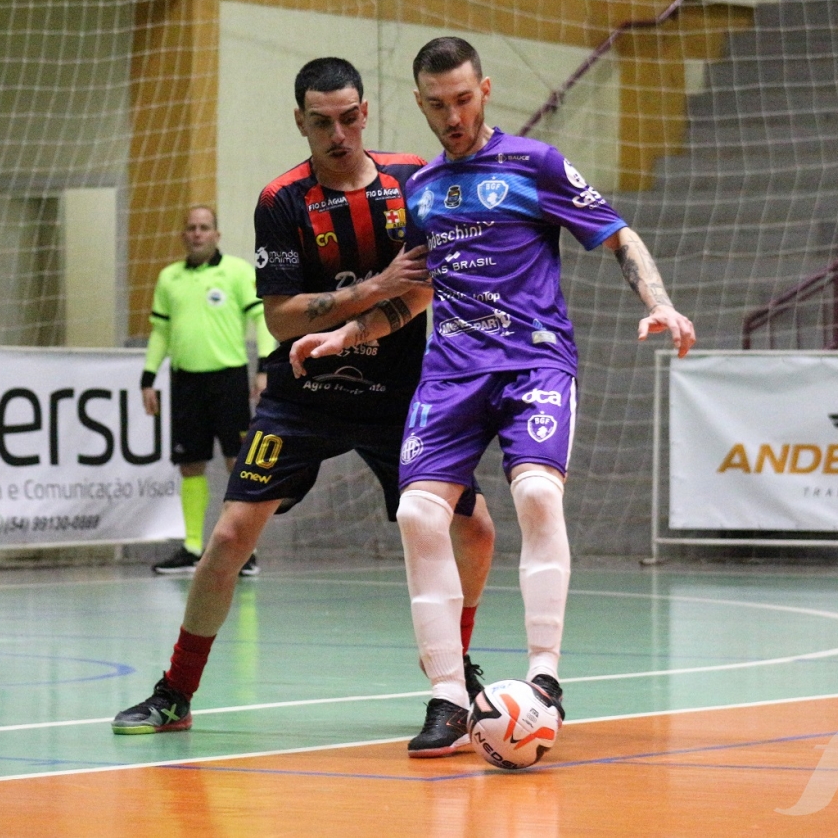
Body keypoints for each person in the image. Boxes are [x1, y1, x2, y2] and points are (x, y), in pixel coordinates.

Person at [291, 37, 695, 757]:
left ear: (486, 90)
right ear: (420, 105)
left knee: (537, 495)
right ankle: (447, 695)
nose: (452, 115)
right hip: (451, 373)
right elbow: (417, 289)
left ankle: (545, 678)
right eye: (437, 105)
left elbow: (617, 234)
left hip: (534, 363)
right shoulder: (420, 191)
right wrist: (347, 334)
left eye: (463, 99)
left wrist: (660, 302)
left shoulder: (534, 164)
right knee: (418, 513)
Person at [111, 57, 496, 735]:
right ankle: (175, 691)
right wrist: (367, 292)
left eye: (349, 118)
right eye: (321, 122)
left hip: (399, 396)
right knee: (228, 537)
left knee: (476, 527)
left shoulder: (412, 179)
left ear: (366, 113)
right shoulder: (282, 201)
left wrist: (374, 316)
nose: (338, 133)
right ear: (301, 122)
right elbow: (282, 318)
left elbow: (427, 286)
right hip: (302, 398)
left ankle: (455, 672)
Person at [143, 205, 274, 577]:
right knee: (190, 463)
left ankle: (243, 549)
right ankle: (192, 547)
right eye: (191, 228)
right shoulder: (169, 278)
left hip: (228, 379)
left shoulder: (237, 272)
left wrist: (264, 367)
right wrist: (147, 377)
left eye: (204, 227)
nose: (197, 233)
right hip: (186, 381)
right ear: (183, 235)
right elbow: (160, 332)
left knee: (238, 461)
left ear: (216, 234)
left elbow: (261, 319)